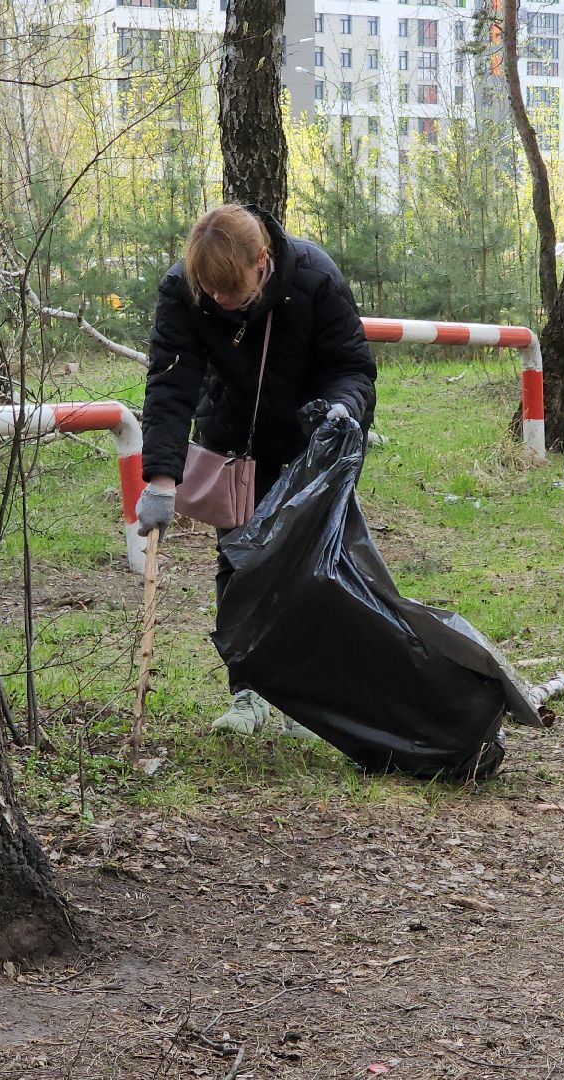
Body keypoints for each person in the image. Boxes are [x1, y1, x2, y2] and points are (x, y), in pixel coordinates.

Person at [133, 204, 377, 739]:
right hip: (234, 443)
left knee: (313, 565)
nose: (220, 301)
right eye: (211, 291)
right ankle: (248, 692)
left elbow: (351, 368)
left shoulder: (316, 278)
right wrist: (162, 479)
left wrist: (342, 411)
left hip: (315, 443)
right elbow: (171, 384)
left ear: (262, 261)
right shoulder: (182, 288)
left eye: (233, 290)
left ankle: (308, 698)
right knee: (239, 561)